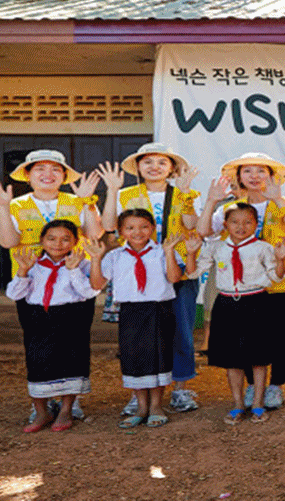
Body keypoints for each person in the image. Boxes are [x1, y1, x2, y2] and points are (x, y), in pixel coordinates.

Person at [0, 149, 102, 422]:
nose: (48, 175)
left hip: (74, 284)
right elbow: (8, 241)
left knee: (74, 343)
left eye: (55, 169)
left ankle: (72, 400)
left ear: (63, 175)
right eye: (39, 169)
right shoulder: (16, 204)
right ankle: (42, 401)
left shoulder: (77, 200)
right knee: (38, 345)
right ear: (27, 175)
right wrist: (1, 206)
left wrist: (88, 203)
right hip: (32, 286)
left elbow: (94, 234)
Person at [99, 143, 202, 415]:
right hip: (138, 271)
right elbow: (109, 225)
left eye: (161, 162)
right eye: (148, 162)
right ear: (138, 167)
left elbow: (192, 225)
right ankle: (140, 391)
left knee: (181, 331)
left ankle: (180, 389)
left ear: (171, 168)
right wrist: (111, 191)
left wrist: (187, 193)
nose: (154, 167)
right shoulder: (126, 194)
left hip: (176, 267)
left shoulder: (185, 193)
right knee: (140, 336)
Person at [197, 152, 285, 411]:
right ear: (239, 177)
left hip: (281, 282)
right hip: (244, 287)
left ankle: (275, 385)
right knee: (243, 336)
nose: (254, 177)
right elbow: (203, 231)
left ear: (271, 176)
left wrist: (277, 199)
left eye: (261, 171)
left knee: (278, 335)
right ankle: (250, 387)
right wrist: (212, 201)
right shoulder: (230, 208)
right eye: (248, 171)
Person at [185, 202, 285, 424]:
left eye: (247, 222)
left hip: (257, 303)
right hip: (226, 304)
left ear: (256, 224)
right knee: (232, 359)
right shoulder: (216, 248)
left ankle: (258, 404)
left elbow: (277, 277)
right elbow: (194, 273)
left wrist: (281, 259)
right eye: (234, 222)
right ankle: (237, 404)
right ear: (225, 225)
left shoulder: (263, 248)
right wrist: (191, 253)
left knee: (258, 357)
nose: (241, 227)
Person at [86, 210, 184, 429]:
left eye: (143, 227)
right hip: (130, 312)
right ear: (121, 232)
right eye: (130, 228)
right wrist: (95, 259)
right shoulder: (115, 256)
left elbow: (175, 278)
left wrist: (169, 252)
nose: (137, 232)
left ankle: (157, 406)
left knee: (159, 356)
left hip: (159, 310)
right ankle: (141, 407)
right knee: (133, 357)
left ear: (152, 229)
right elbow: (96, 284)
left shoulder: (162, 251)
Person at [5, 220, 98, 432]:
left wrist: (73, 270)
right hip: (39, 319)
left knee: (72, 360)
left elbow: (89, 292)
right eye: (52, 238)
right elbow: (13, 294)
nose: (58, 244)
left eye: (66, 239)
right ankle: (41, 411)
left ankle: (66, 409)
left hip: (71, 318)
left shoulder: (82, 263)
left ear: (75, 241)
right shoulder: (33, 264)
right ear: (42, 241)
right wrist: (22, 271)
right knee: (38, 362)